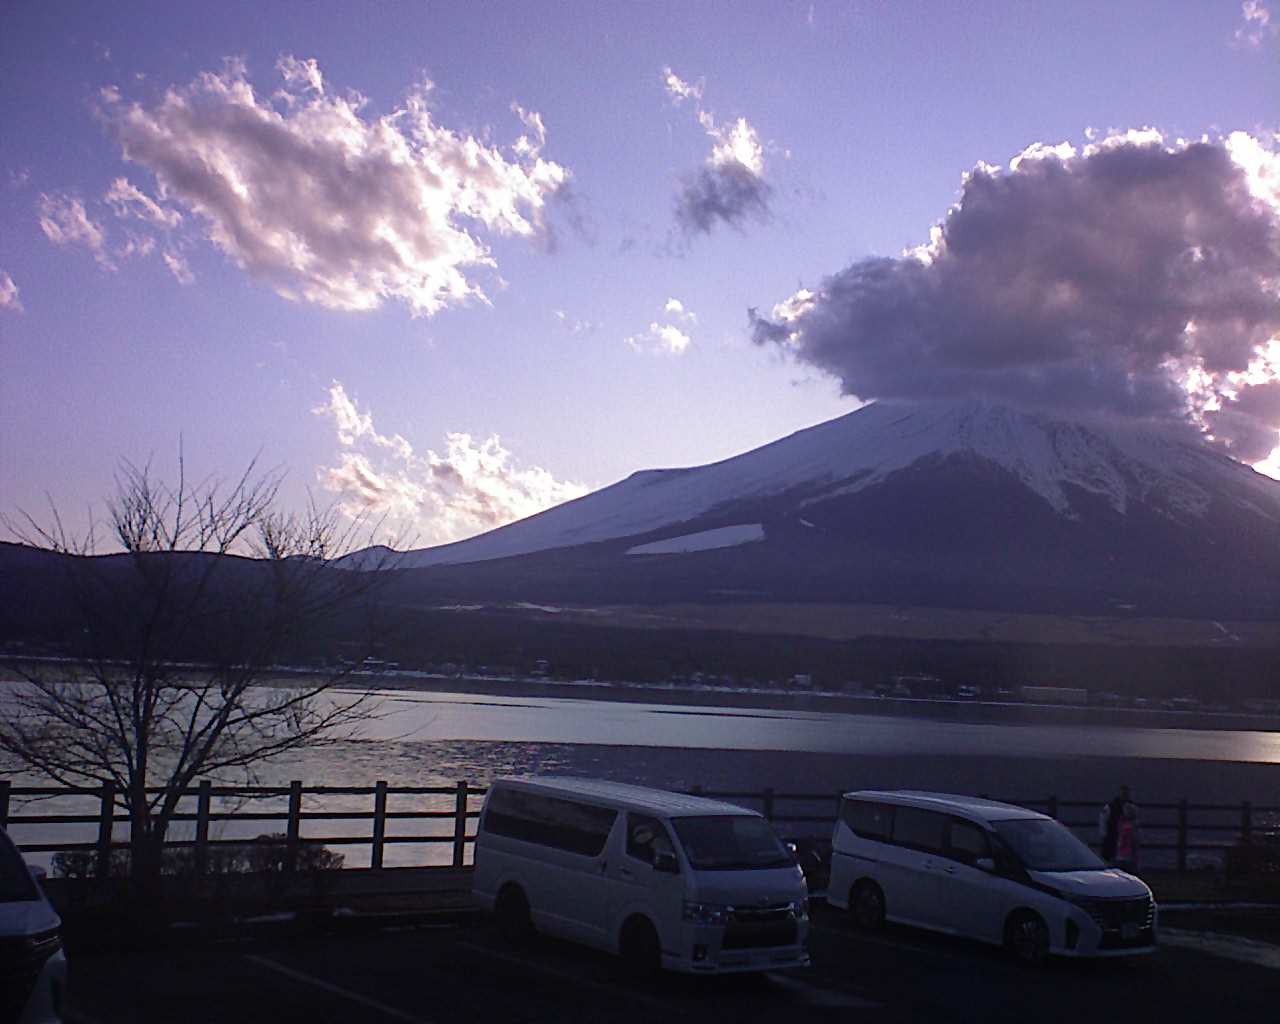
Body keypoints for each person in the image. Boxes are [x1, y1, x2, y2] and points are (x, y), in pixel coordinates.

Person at [1100, 784, 1133, 863]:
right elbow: (1103, 820)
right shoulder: (1110, 807)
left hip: (1126, 839)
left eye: (1126, 793)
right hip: (1112, 836)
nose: (1124, 795)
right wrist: (1104, 835)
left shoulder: (1132, 807)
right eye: (1123, 793)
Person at [1115, 798, 1140, 872]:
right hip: (1123, 854)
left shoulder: (1130, 825)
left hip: (1127, 855)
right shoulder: (1123, 823)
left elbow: (1134, 841)